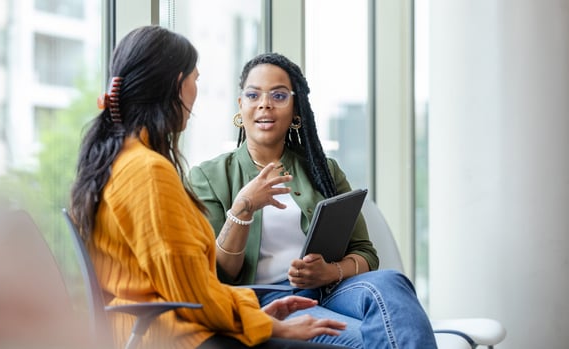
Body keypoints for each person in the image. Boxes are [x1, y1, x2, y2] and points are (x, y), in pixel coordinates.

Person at [69, 26, 348, 349]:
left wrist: (254, 314)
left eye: (278, 95)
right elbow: (191, 293)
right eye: (196, 79)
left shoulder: (121, 161)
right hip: (174, 336)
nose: (265, 105)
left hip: (163, 327)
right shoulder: (148, 172)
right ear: (178, 85)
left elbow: (189, 286)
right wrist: (270, 326)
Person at [188, 52, 438, 349]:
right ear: (241, 107)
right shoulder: (208, 176)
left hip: (335, 289)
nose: (265, 103)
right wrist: (244, 206)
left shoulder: (324, 171)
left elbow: (365, 254)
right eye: (253, 94)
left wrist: (329, 272)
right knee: (365, 340)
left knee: (392, 283)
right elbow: (219, 272)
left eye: (278, 95)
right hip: (270, 298)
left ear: (296, 111)